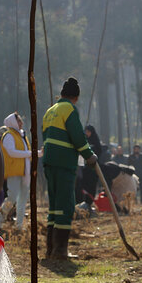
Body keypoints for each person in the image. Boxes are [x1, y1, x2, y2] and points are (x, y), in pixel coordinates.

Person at [42, 77, 97, 260]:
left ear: (62, 94)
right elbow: (77, 136)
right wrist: (89, 155)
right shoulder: (69, 109)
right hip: (64, 162)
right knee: (65, 205)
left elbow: (45, 135)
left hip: (49, 162)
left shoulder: (50, 111)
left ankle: (50, 249)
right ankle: (60, 251)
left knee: (54, 206)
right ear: (77, 97)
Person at [0, 112, 36, 231]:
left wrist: (35, 154)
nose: (21, 123)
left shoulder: (21, 135)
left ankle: (19, 225)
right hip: (14, 171)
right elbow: (12, 152)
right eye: (19, 121)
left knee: (22, 199)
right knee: (12, 197)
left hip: (24, 171)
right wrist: (32, 153)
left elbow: (26, 153)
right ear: (14, 122)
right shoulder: (9, 135)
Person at [80, 125, 103, 207]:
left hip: (93, 167)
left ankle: (90, 201)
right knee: (84, 184)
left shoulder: (96, 142)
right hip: (84, 167)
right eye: (86, 131)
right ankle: (84, 201)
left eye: (88, 132)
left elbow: (98, 152)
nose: (87, 133)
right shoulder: (84, 141)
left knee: (92, 185)